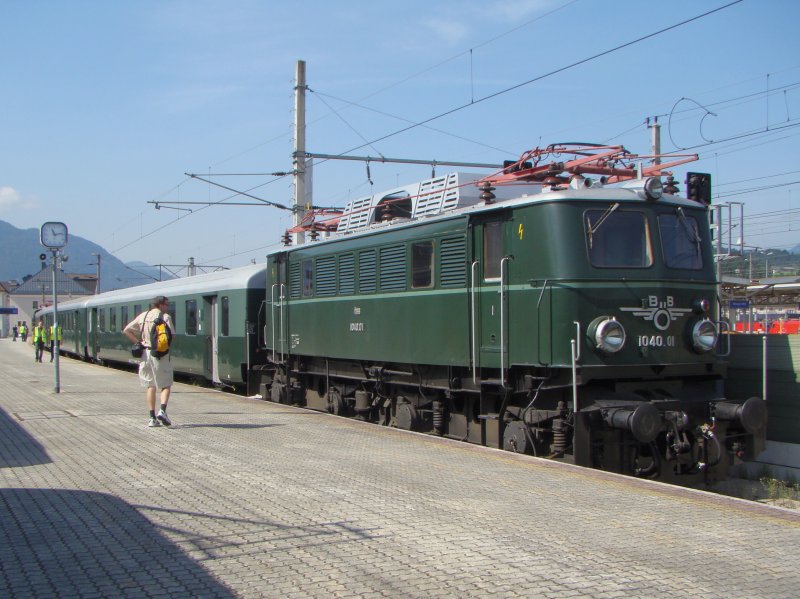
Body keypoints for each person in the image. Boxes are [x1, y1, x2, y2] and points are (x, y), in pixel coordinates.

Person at [123, 296, 175, 428]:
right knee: (166, 384)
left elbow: (126, 330)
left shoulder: (143, 316)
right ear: (161, 305)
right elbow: (171, 337)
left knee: (150, 386)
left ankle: (152, 418)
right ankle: (162, 411)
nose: (167, 307)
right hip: (160, 355)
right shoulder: (165, 317)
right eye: (166, 304)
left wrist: (139, 343)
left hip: (145, 354)